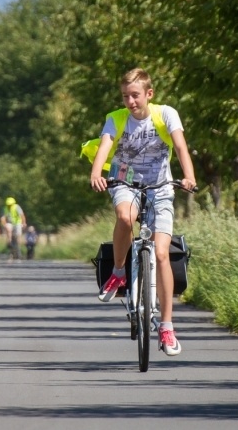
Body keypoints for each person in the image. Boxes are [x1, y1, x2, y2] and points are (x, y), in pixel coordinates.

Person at [87, 67, 196, 357]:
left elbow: (181, 146)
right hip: (125, 180)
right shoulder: (116, 119)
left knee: (161, 253)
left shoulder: (166, 114)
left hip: (161, 186)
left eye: (135, 95)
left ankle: (167, 326)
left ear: (149, 94)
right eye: (125, 96)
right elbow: (105, 146)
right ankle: (118, 272)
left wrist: (189, 176)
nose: (130, 101)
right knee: (125, 217)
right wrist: (96, 173)